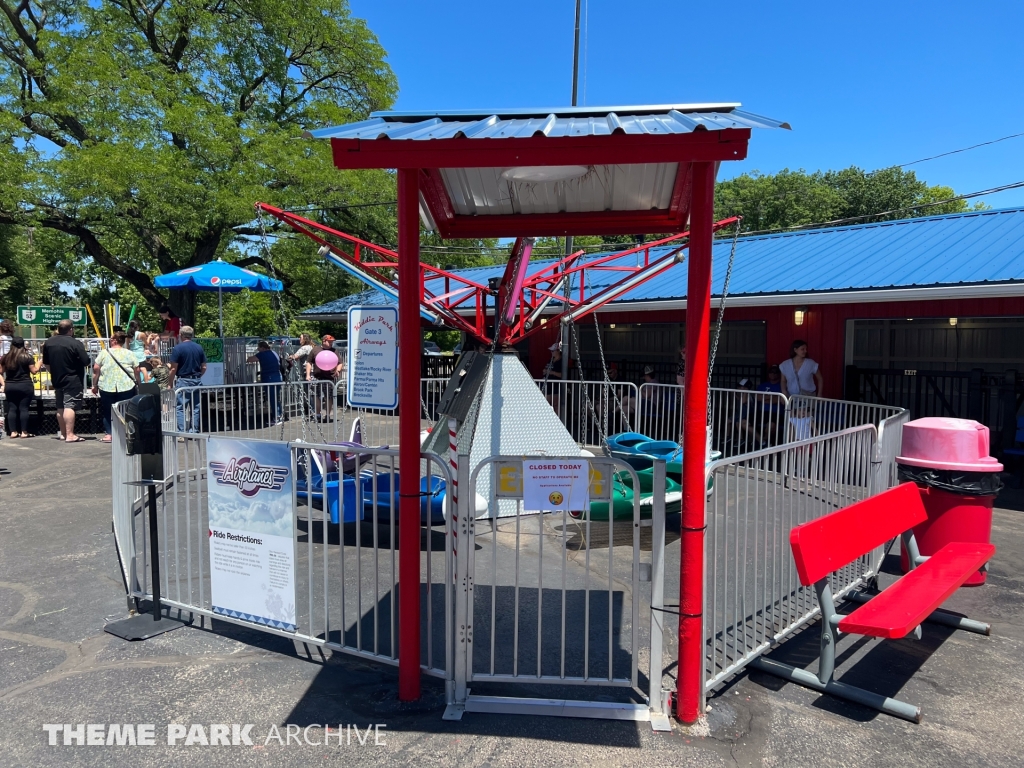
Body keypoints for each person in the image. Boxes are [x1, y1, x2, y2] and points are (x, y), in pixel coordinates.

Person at [41, 319, 91, 443]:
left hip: (57, 378)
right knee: (70, 405)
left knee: (60, 406)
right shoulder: (75, 343)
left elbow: (46, 363)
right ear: (71, 330)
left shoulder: (49, 342)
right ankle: (70, 435)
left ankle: (63, 433)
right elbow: (86, 361)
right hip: (73, 379)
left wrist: (54, 372)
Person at [92, 331, 138, 443]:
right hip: (126, 385)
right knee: (126, 411)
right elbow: (137, 369)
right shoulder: (129, 353)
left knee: (108, 411)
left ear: (114, 340)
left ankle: (109, 434)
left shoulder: (104, 353)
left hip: (107, 385)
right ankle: (126, 433)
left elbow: (96, 369)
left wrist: (94, 385)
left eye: (110, 339)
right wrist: (138, 383)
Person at [168, 325, 206, 434]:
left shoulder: (177, 348)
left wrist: (170, 383)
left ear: (181, 335)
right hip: (196, 380)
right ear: (191, 335)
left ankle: (182, 431)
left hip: (183, 380)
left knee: (181, 407)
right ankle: (194, 431)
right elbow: (204, 367)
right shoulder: (199, 347)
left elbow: (173, 368)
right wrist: (198, 376)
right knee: (196, 408)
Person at [0, 336, 42, 438]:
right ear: (23, 345)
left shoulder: (6, 357)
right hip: (25, 385)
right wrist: (40, 362)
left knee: (12, 408)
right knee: (24, 408)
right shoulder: (27, 357)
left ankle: (13, 432)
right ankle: (24, 432)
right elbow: (34, 371)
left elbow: (0, 371)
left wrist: (3, 384)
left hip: (10, 385)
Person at [305, 335, 342, 421]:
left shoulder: (334, 351)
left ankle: (328, 415)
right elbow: (309, 362)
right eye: (329, 341)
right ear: (324, 341)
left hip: (329, 378)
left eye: (332, 342)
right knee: (316, 396)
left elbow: (340, 363)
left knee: (328, 397)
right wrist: (308, 374)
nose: (331, 343)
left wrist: (338, 370)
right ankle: (318, 414)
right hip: (317, 377)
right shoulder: (315, 350)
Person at [248, 340, 284, 424]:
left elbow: (250, 360)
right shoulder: (274, 353)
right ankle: (279, 415)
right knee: (276, 398)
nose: (258, 349)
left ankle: (276, 418)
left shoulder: (262, 354)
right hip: (278, 377)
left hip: (269, 378)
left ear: (262, 348)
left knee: (272, 398)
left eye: (258, 348)